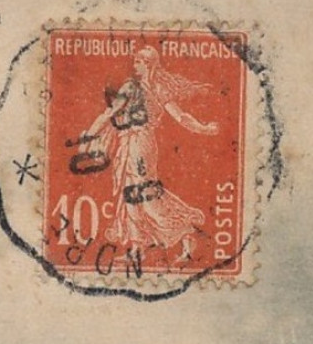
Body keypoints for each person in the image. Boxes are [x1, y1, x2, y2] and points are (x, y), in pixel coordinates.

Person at [75, 46, 219, 266]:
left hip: (142, 144)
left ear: (149, 64)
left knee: (145, 194)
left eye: (139, 62)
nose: (135, 66)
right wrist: (89, 135)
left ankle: (185, 233)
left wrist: (204, 129)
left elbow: (180, 117)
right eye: (135, 61)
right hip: (127, 143)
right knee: (127, 194)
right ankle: (136, 247)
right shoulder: (130, 86)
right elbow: (110, 113)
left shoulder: (159, 89)